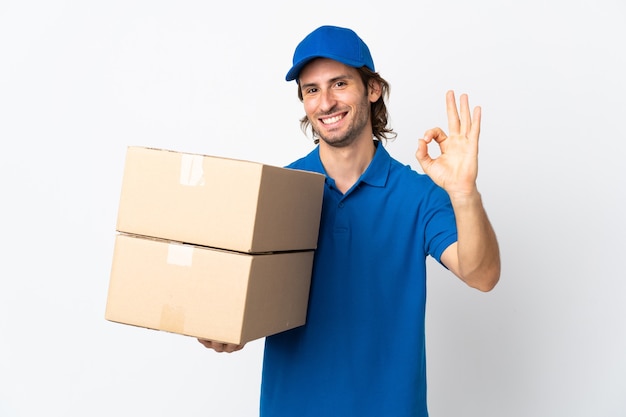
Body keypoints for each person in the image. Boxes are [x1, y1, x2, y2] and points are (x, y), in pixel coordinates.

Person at [199, 25, 501, 416]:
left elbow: (483, 275)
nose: (325, 102)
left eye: (339, 83)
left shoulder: (418, 194)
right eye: (312, 89)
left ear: (372, 89)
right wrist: (225, 328)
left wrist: (463, 193)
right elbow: (243, 299)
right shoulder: (278, 191)